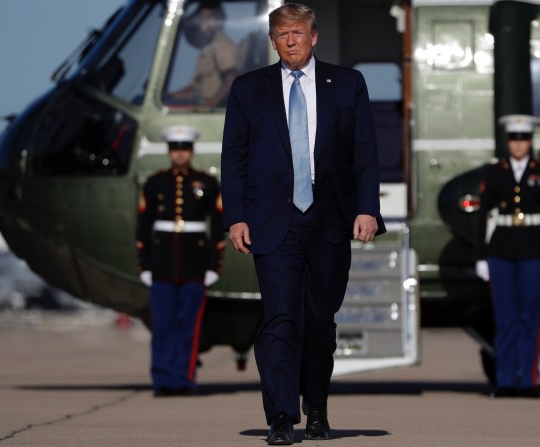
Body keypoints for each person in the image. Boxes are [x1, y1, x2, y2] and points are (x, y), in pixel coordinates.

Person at [221, 3, 385, 444]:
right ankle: (279, 415)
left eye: (297, 32)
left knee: (318, 319)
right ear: (272, 42)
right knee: (279, 318)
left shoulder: (347, 83)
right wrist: (235, 216)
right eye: (281, 34)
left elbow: (365, 152)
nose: (290, 40)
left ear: (314, 37)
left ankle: (316, 406)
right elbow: (233, 159)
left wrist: (367, 208)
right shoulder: (248, 89)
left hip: (329, 218)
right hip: (273, 220)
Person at [475, 114, 540, 398]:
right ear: (507, 141)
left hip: (535, 250)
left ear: (531, 140)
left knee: (530, 318)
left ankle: (528, 381)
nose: (518, 144)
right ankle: (505, 381)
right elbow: (483, 215)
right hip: (500, 250)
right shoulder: (495, 171)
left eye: (523, 138)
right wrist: (481, 256)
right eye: (514, 138)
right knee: (505, 318)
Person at [136, 124, 225, 397]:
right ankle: (162, 379)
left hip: (194, 263)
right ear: (168, 151)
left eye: (184, 148)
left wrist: (214, 265)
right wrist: (145, 264)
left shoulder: (207, 183)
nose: (180, 153)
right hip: (162, 263)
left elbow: (218, 225)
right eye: (175, 149)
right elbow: (143, 226)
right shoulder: (155, 183)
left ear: (192, 150)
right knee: (162, 325)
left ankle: (184, 379)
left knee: (188, 324)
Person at [171, 0, 239, 107]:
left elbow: (232, 80)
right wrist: (170, 97)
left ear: (218, 20)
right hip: (198, 101)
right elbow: (194, 88)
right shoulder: (208, 49)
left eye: (208, 18)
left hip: (213, 107)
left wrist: (209, 105)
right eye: (201, 18)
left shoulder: (224, 46)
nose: (203, 22)